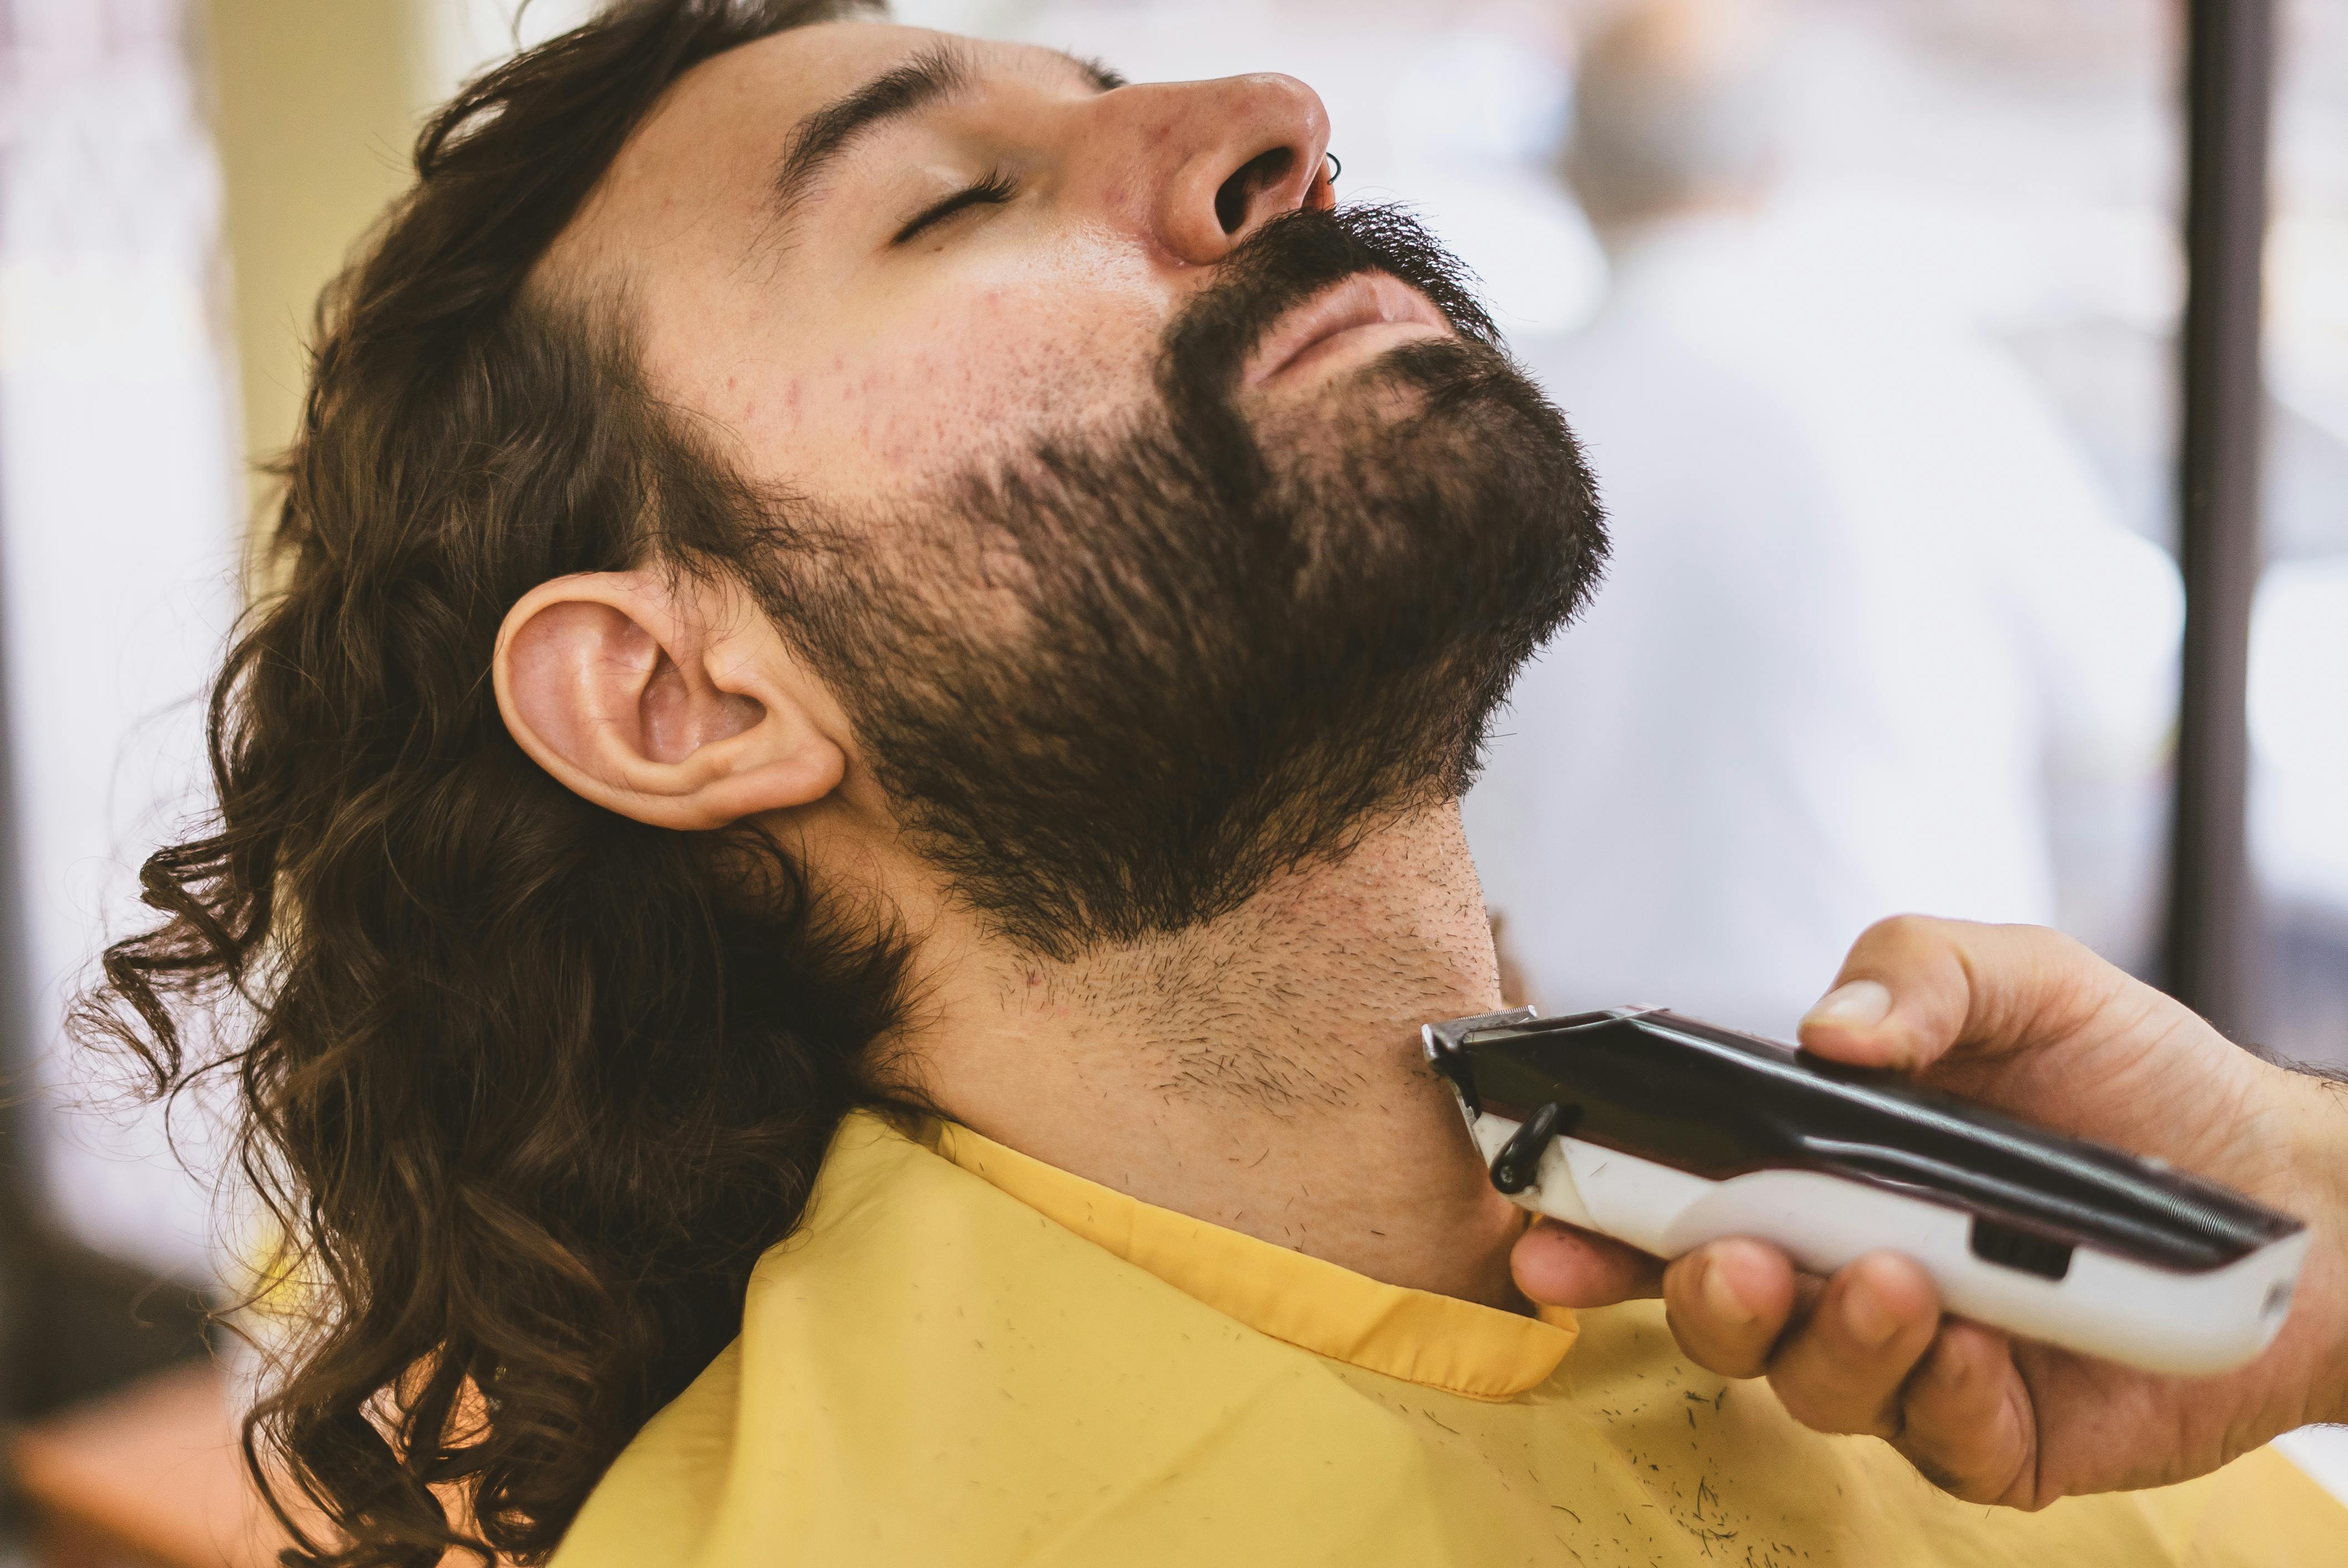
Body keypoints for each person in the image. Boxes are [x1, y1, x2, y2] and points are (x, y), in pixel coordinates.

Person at [68, 3, 2342, 1565]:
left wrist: (2312, 1226)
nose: (1271, 115)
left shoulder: (1903, 1274)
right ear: (682, 696)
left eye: (1111, 88)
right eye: (950, 204)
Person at [1465, 0, 2183, 1037]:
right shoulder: (1931, 391)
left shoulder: (1494, 438)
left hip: (1592, 1100)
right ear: (1772, 158)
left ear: (1574, 171)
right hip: (1912, 1071)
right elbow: (2117, 719)